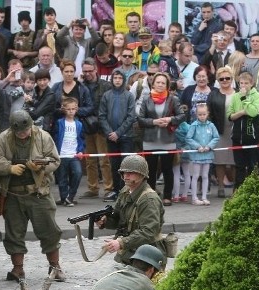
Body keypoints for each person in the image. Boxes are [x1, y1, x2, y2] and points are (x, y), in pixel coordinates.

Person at [0, 110, 64, 282]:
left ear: (31, 125)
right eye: (19, 132)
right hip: (13, 194)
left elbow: (55, 160)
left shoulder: (43, 137)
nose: (23, 135)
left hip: (39, 193)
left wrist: (40, 168)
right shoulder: (3, 139)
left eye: (26, 130)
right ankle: (18, 269)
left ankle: (55, 267)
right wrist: (9, 168)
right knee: (13, 233)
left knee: (49, 230)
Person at [96, 154, 166, 264]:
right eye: (124, 172)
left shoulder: (149, 199)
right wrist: (105, 221)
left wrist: (121, 242)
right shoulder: (125, 191)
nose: (126, 176)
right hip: (129, 252)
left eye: (131, 173)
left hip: (148, 255)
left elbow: (148, 232)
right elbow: (119, 219)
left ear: (142, 175)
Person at [137, 72, 188, 206]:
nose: (160, 85)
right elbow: (140, 120)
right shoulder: (146, 99)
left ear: (167, 85)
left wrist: (170, 119)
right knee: (150, 171)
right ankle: (150, 196)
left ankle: (167, 196)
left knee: (167, 169)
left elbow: (182, 116)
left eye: (163, 83)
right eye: (158, 82)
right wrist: (154, 122)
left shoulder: (173, 99)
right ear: (153, 83)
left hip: (168, 141)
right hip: (149, 141)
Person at [98, 69, 137, 201]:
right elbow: (102, 115)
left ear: (123, 80)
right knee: (114, 165)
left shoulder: (129, 96)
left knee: (126, 165)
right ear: (112, 79)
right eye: (115, 78)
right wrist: (110, 133)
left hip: (126, 137)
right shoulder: (106, 95)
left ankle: (126, 190)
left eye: (120, 78)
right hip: (111, 138)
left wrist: (118, 133)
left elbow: (131, 117)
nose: (118, 80)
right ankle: (116, 190)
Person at [79, 60, 113, 199]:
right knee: (89, 160)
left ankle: (108, 188)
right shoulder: (80, 86)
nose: (87, 74)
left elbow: (109, 106)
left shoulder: (106, 85)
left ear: (96, 70)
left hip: (101, 127)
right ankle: (92, 187)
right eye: (85, 71)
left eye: (90, 71)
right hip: (86, 126)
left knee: (104, 160)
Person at [227, 70, 259, 189]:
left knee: (252, 165)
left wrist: (244, 99)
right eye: (241, 83)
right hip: (237, 136)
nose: (243, 86)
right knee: (239, 166)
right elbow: (230, 115)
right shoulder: (235, 96)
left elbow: (253, 112)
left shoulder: (257, 96)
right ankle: (238, 190)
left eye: (246, 83)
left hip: (251, 136)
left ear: (251, 83)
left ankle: (252, 190)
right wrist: (242, 112)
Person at [208, 65, 237, 197]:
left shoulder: (238, 93)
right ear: (218, 80)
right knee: (220, 161)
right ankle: (220, 186)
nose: (225, 81)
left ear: (232, 78)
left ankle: (236, 187)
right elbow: (209, 113)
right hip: (219, 131)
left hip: (234, 131)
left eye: (227, 78)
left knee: (234, 161)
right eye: (222, 79)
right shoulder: (213, 94)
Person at [184, 102, 219, 205]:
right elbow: (188, 138)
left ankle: (204, 197)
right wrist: (197, 146)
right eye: (200, 114)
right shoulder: (193, 125)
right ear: (196, 114)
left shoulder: (211, 125)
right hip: (197, 155)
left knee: (205, 175)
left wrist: (209, 146)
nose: (202, 116)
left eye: (204, 114)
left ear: (207, 114)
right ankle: (194, 198)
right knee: (195, 176)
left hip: (207, 155)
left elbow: (216, 137)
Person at [53, 97, 85, 206]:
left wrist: (80, 151)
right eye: (68, 109)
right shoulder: (59, 122)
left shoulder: (79, 124)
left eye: (73, 109)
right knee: (62, 178)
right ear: (64, 110)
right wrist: (55, 151)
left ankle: (70, 196)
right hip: (61, 155)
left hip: (74, 155)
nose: (71, 111)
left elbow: (81, 139)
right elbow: (55, 138)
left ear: (77, 109)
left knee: (78, 173)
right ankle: (64, 198)